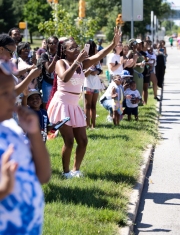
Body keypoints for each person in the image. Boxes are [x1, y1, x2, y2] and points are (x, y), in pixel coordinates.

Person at [47, 28, 121, 178]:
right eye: (72, 47)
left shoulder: (81, 64)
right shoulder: (60, 62)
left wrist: (113, 44)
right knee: (69, 141)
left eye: (77, 46)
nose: (76, 49)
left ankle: (76, 170)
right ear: (65, 51)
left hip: (74, 105)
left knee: (83, 141)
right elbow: (65, 77)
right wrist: (77, 61)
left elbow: (100, 54)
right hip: (62, 104)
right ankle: (66, 173)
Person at [0, 64, 51, 234]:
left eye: (13, 92)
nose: (13, 98)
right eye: (5, 93)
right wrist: (4, 188)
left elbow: (43, 175)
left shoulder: (12, 130)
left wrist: (34, 132)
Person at [83, 40, 103, 128]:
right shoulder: (84, 59)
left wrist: (95, 70)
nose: (96, 49)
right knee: (88, 105)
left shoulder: (96, 59)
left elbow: (99, 71)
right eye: (94, 47)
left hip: (96, 84)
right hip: (87, 84)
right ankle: (87, 124)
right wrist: (91, 69)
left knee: (93, 105)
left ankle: (93, 125)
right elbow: (84, 74)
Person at [41, 36, 59, 109]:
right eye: (52, 43)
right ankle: (47, 119)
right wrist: (55, 59)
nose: (54, 44)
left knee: (58, 103)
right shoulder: (44, 55)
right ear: (48, 44)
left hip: (58, 82)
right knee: (47, 103)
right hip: (48, 82)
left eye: (56, 43)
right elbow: (49, 70)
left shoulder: (61, 55)